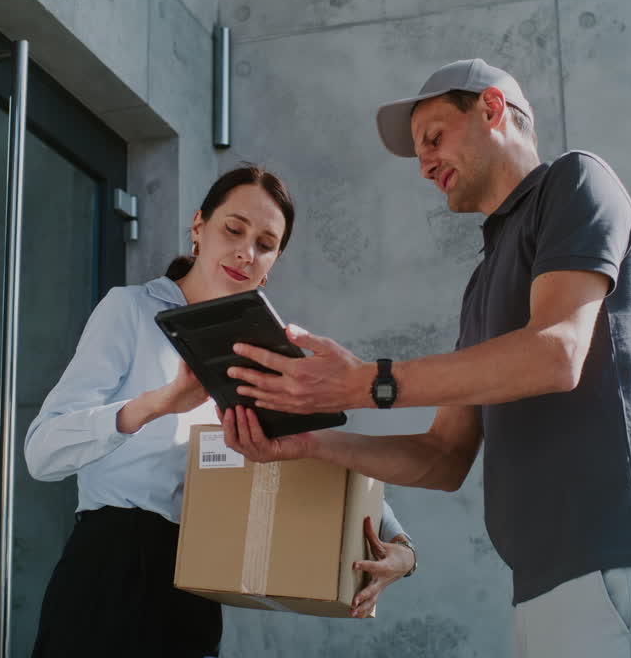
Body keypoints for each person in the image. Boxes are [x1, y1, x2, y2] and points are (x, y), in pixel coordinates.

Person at [218, 60, 631, 658]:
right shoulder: (481, 285)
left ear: (493, 109)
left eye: (435, 137)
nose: (424, 163)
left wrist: (361, 384)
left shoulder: (576, 182)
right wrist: (305, 448)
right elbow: (443, 455)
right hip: (542, 583)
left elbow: (557, 354)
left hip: (614, 561)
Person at [24, 166, 417, 658]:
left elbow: (323, 453)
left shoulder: (270, 354)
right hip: (109, 570)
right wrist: (161, 402)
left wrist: (401, 547)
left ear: (273, 262)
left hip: (196, 584)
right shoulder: (129, 311)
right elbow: (42, 453)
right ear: (198, 227)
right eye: (233, 229)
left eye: (265, 243)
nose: (245, 252)